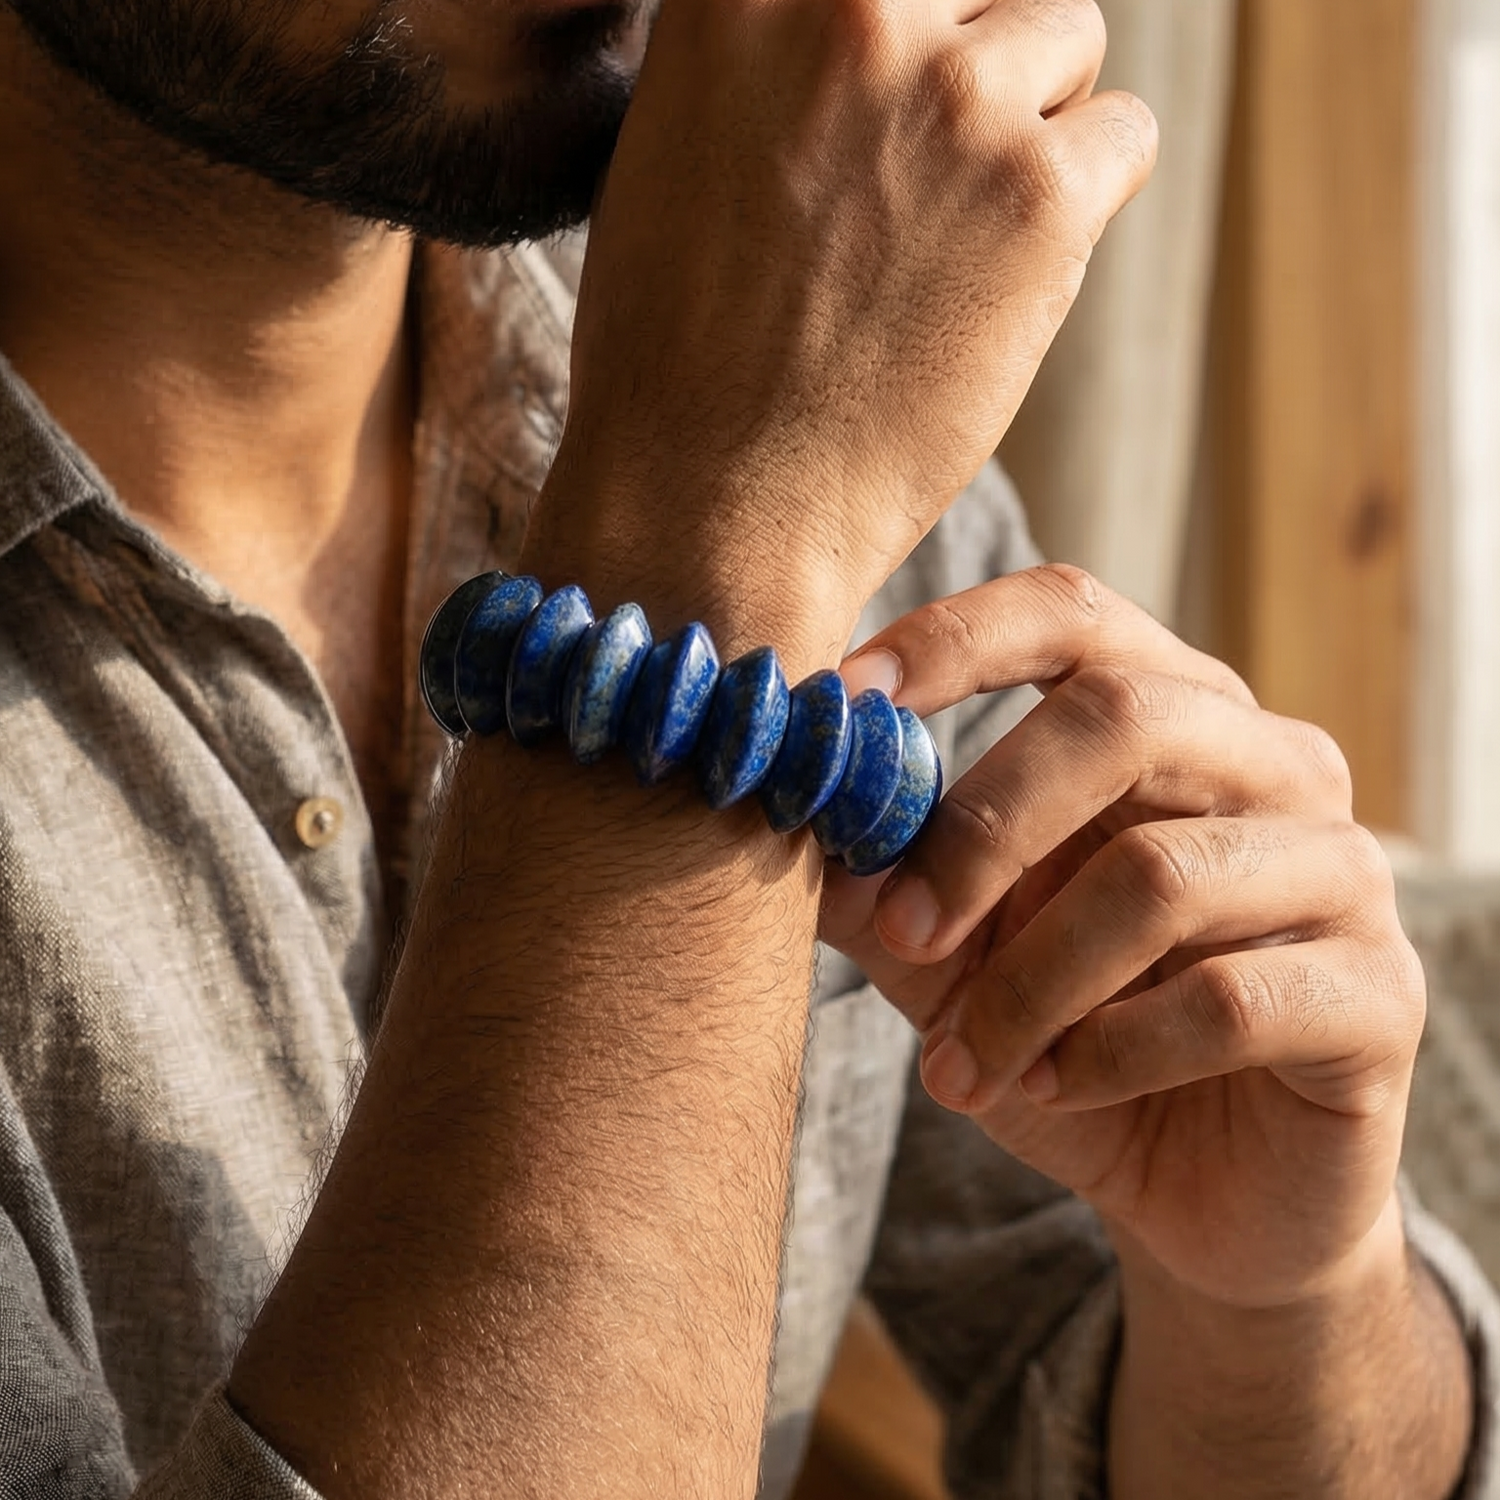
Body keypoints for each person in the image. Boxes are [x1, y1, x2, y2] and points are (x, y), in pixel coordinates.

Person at [0, 0, 1492, 1496]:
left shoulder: (757, 315)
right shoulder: (749, 422)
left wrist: (1287, 1306)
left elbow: (1129, 1333)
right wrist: (713, 536)